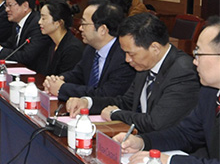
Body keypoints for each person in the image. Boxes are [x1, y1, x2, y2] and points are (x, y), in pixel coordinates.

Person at [116, 16, 220, 164]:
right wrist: (143, 142)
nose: (194, 61)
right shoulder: (209, 92)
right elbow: (186, 134)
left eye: (199, 53)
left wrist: (169, 161)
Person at [65, 13, 199, 133]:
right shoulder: (144, 64)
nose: (127, 59)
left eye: (131, 54)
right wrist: (87, 102)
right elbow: (126, 102)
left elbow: (155, 122)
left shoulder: (183, 73)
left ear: (155, 48)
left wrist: (115, 114)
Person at [44, 0, 135, 100]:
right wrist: (58, 80)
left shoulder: (124, 57)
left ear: (102, 29)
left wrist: (62, 88)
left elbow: (105, 94)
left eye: (84, 24)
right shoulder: (91, 49)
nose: (80, 28)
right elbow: (78, 74)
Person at [0, 0, 53, 73]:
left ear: (25, 6)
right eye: (6, 6)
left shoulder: (37, 24)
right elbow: (11, 45)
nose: (6, 10)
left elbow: (27, 56)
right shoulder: (17, 22)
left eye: (10, 5)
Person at [38, 0, 83, 75]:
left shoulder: (72, 49)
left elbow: (66, 78)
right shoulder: (49, 42)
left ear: (59, 23)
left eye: (43, 18)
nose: (39, 22)